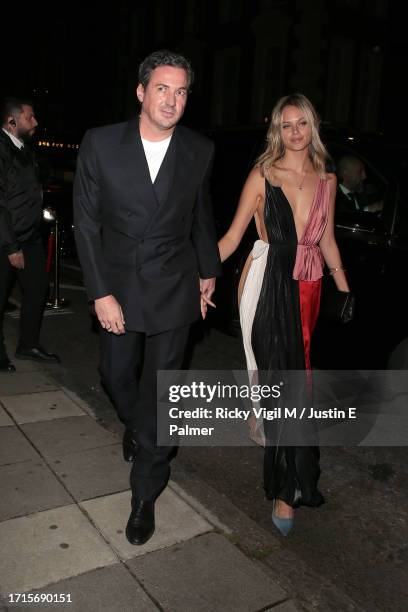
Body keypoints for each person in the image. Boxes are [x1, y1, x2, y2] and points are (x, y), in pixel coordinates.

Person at [73, 50, 221, 546]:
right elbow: (87, 224)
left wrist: (209, 273)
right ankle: (135, 424)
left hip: (175, 286)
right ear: (141, 91)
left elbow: (200, 217)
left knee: (163, 395)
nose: (171, 100)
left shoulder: (198, 150)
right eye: (162, 88)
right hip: (117, 287)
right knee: (115, 375)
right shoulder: (101, 143)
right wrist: (100, 293)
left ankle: (145, 493)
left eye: (181, 92)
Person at [217, 93, 350, 536]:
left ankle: (290, 476)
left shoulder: (327, 181)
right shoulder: (262, 174)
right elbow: (233, 237)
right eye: (287, 124)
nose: (295, 132)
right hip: (268, 287)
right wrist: (193, 274)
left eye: (303, 123)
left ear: (313, 127)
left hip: (309, 289)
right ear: (277, 129)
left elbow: (327, 240)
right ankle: (283, 490)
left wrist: (344, 287)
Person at [0, 97, 60, 373]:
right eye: (30, 117)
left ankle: (28, 344)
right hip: (6, 239)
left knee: (37, 288)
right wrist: (11, 246)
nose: (35, 122)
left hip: (30, 236)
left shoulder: (24, 148)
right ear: (12, 121)